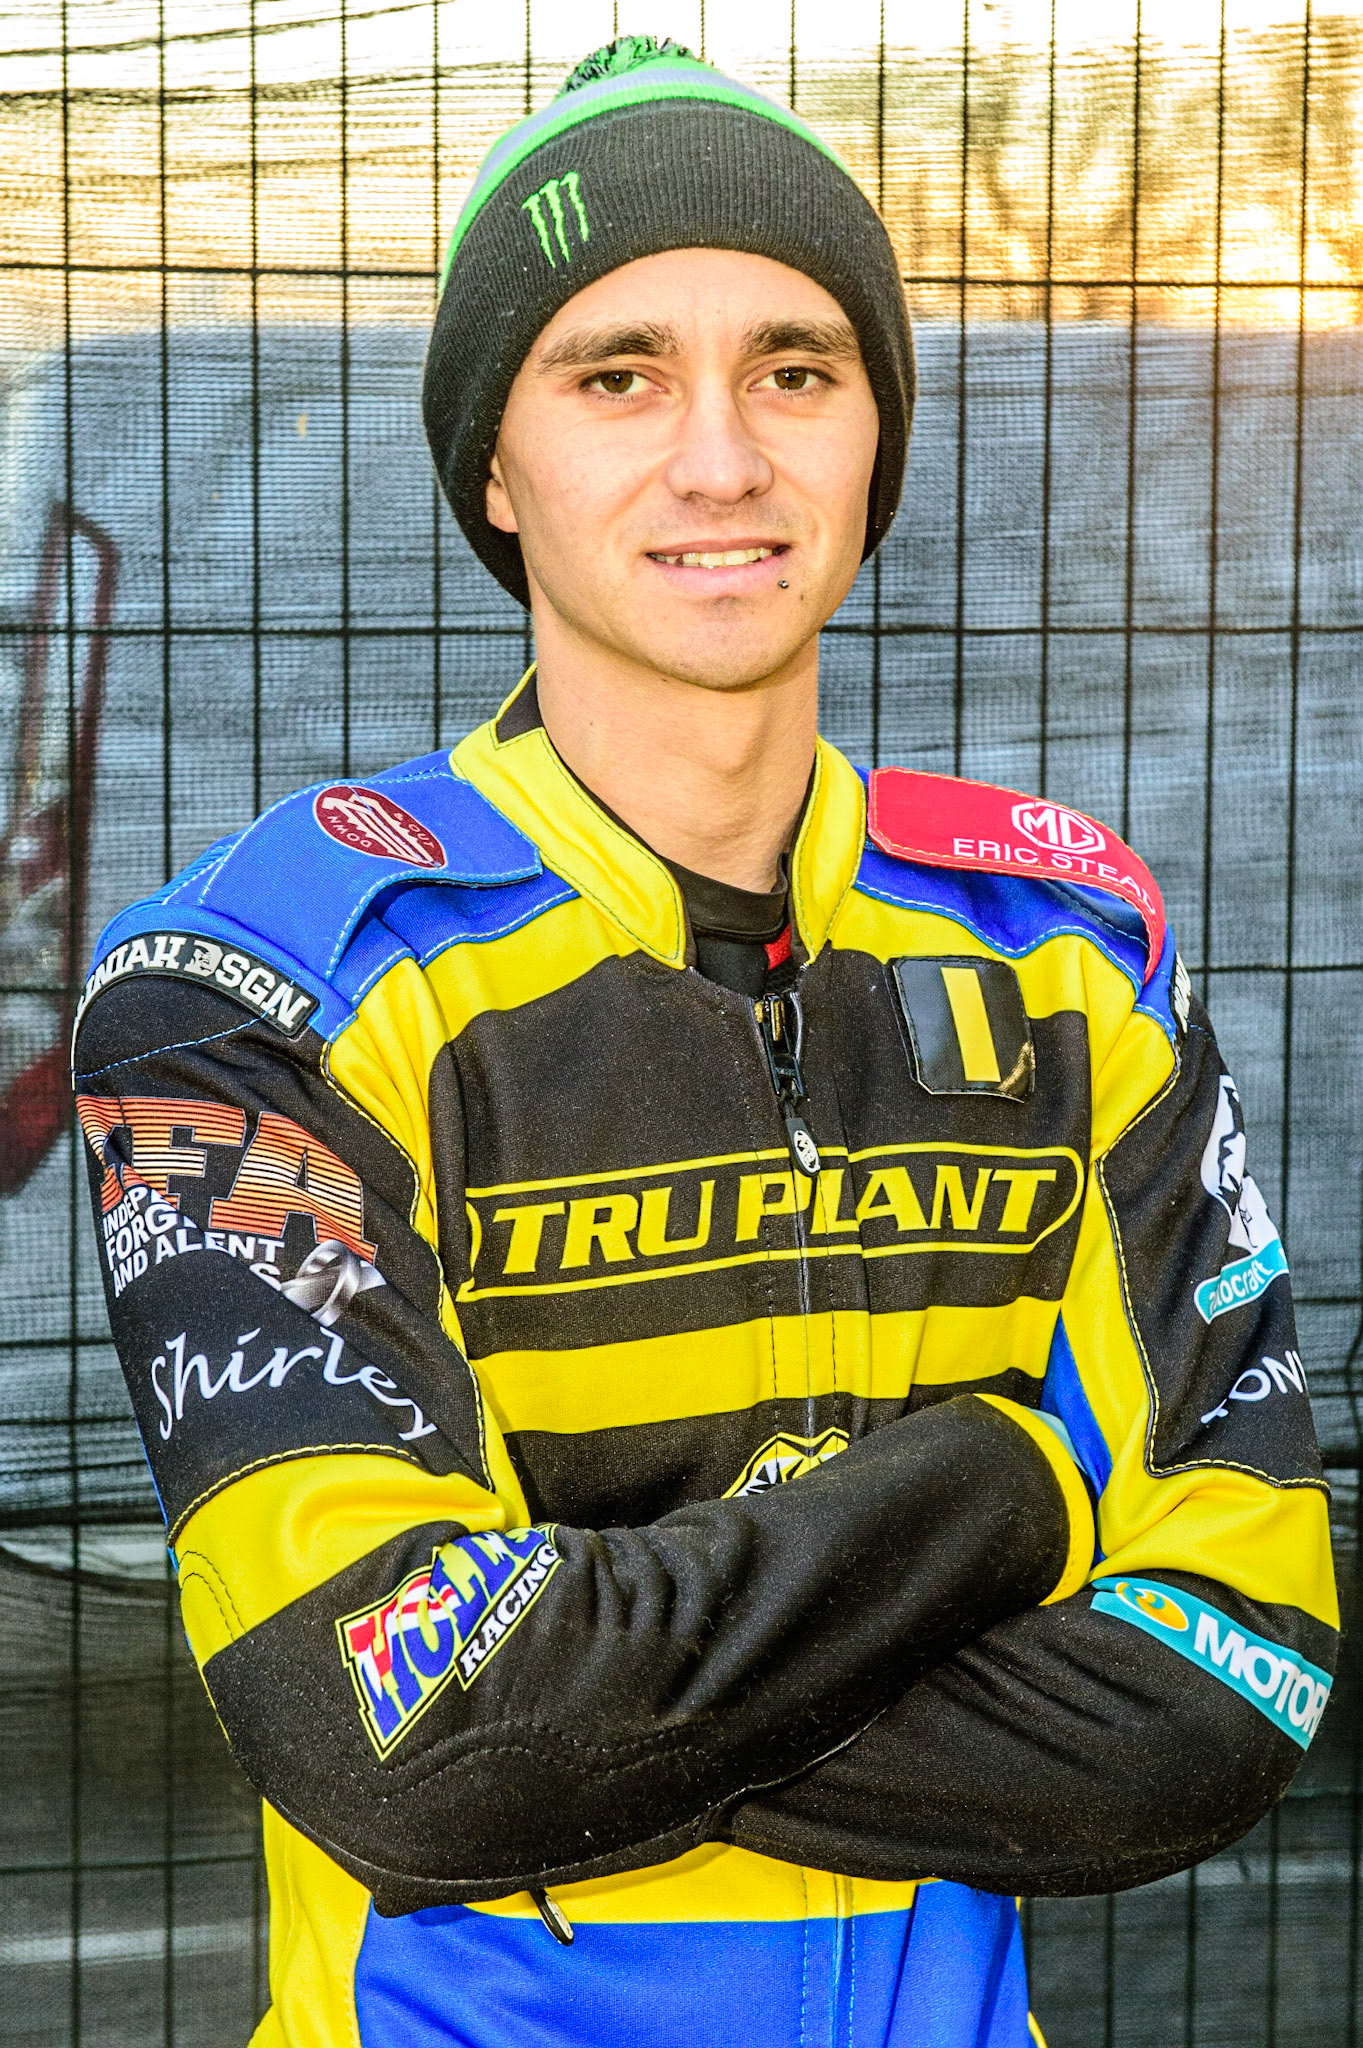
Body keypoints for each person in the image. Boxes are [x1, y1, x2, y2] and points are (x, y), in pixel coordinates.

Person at [74, 35, 1337, 2048]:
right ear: (497, 460)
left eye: (796, 367)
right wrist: (1012, 1484)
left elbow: (1240, 1673)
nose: (723, 459)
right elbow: (406, 1738)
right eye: (617, 373)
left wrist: (593, 1680)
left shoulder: (1070, 956)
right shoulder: (248, 994)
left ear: (873, 437)